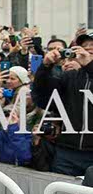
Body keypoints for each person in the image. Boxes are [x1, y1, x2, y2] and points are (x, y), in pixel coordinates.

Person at [32, 32, 93, 176]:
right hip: (67, 153)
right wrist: (45, 66)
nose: (87, 49)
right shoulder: (70, 76)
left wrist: (90, 66)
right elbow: (44, 99)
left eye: (92, 46)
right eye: (84, 46)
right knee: (60, 189)